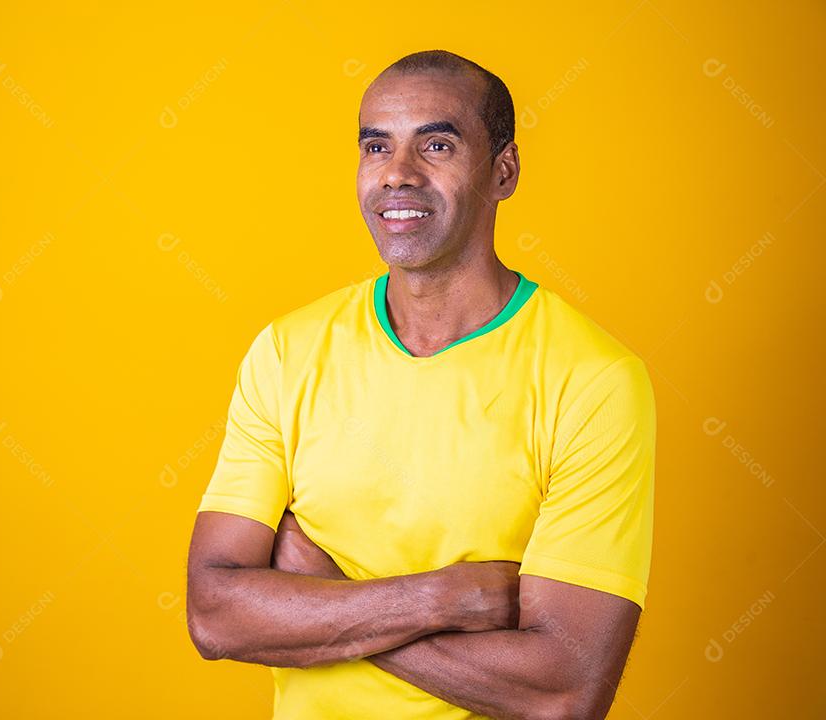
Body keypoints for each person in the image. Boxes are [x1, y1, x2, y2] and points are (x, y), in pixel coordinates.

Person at [186, 49, 656, 720]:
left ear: (504, 171)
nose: (398, 176)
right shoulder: (287, 351)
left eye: (436, 144)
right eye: (377, 147)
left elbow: (563, 693)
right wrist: (437, 600)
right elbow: (215, 614)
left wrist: (320, 592)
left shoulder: (595, 382)